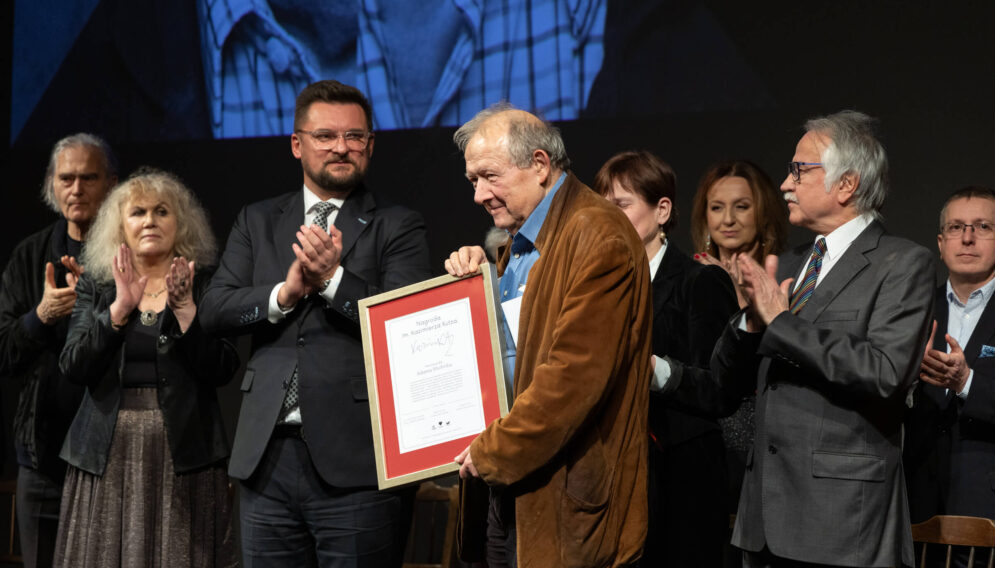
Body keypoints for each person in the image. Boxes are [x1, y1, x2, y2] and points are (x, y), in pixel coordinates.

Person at [199, 79, 431, 566]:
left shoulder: (397, 224)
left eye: (355, 137)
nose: (341, 148)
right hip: (267, 460)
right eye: (326, 136)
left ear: (371, 145)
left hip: (359, 464)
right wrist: (284, 295)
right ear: (297, 144)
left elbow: (405, 320)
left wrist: (331, 279)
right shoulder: (258, 220)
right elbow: (215, 308)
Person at [711, 110, 934, 567]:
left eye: (799, 170)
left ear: (847, 184)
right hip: (762, 521)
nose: (785, 184)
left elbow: (885, 374)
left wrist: (782, 323)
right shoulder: (789, 264)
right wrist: (752, 325)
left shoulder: (902, 264)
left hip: (841, 523)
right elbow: (724, 382)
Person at [445, 104, 652, 567]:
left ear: (539, 165)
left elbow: (572, 378)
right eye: (472, 180)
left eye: (489, 176)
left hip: (564, 497)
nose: (478, 194)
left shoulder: (597, 235)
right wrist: (474, 290)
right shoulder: (520, 243)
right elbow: (515, 353)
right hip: (512, 487)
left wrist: (493, 450)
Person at [54, 170, 238, 566]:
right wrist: (119, 310)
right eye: (138, 212)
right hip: (107, 455)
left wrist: (187, 312)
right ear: (121, 225)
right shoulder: (98, 287)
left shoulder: (206, 284)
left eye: (161, 211)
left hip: (184, 456)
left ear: (180, 223)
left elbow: (223, 367)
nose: (150, 220)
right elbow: (73, 365)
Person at [594, 150, 738, 567]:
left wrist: (652, 369)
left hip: (682, 483)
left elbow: (719, 388)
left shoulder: (700, 281)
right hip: (615, 479)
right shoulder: (599, 287)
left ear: (662, 210)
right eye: (602, 207)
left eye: (621, 205)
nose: (608, 217)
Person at [0, 133, 117, 568]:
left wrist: (103, 299)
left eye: (89, 177)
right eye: (66, 178)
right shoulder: (30, 257)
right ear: (51, 184)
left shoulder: (130, 253)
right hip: (43, 461)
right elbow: (4, 353)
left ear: (111, 183)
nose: (77, 188)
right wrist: (41, 315)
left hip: (112, 459)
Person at [690, 159, 788, 565]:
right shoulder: (690, 277)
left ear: (762, 211)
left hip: (770, 444)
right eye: (717, 207)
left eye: (741, 206)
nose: (727, 219)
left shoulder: (790, 275)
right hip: (707, 449)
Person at [905, 186, 995, 564]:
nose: (968, 237)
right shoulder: (913, 309)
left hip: (986, 513)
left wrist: (966, 382)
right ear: (941, 244)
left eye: (983, 226)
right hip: (915, 507)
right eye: (957, 227)